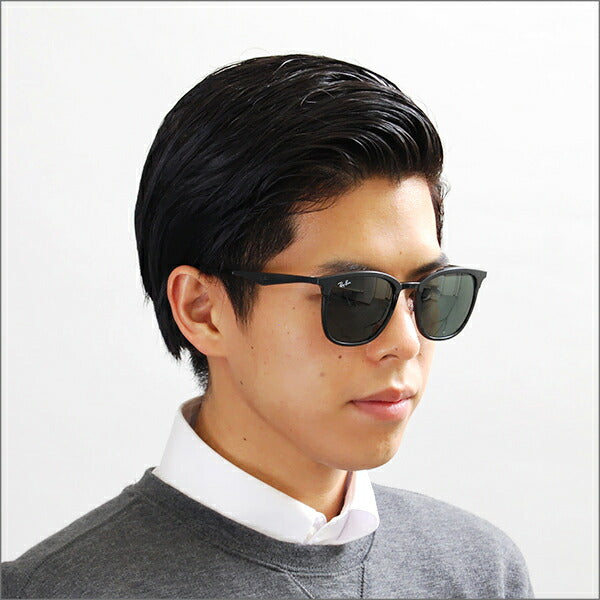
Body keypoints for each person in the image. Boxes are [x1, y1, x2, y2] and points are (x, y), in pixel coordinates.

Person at [1, 53, 534, 599]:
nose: (405, 343)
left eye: (428, 292)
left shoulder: (479, 572)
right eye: (353, 297)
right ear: (202, 310)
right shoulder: (49, 591)